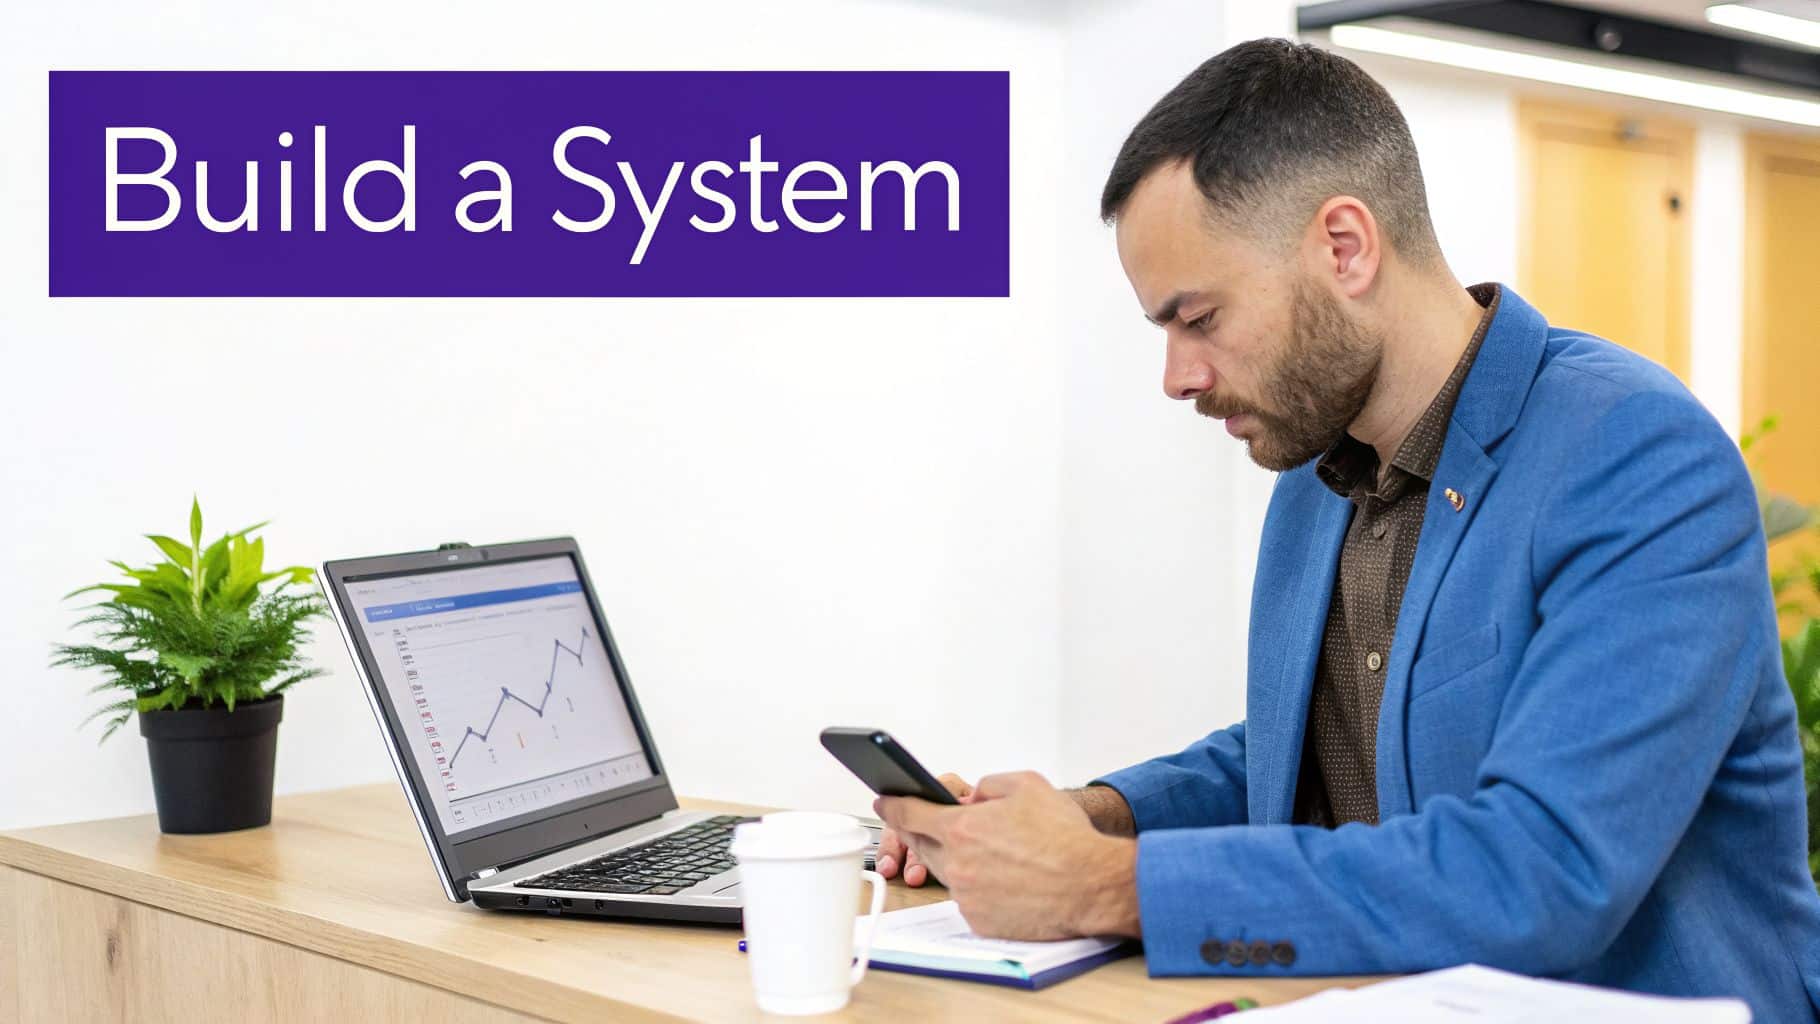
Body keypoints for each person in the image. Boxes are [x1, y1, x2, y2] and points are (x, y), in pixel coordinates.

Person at [871, 38, 1820, 1018]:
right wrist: (1085, 822)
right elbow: (1292, 752)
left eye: (1196, 317)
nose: (1176, 376)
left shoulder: (1635, 457)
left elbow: (1542, 872)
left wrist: (1102, 884)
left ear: (1344, 247)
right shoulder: (1319, 473)